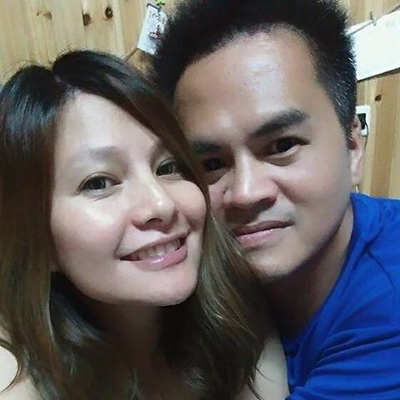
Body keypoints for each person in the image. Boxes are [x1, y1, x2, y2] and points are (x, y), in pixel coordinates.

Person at [0, 50, 287, 399]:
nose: (162, 204)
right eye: (99, 183)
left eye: (168, 167)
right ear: (35, 239)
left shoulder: (238, 311)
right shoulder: (14, 372)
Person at [151, 0, 400, 398]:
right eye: (211, 164)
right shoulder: (188, 264)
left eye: (282, 146)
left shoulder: (388, 305)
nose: (246, 193)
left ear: (352, 147)